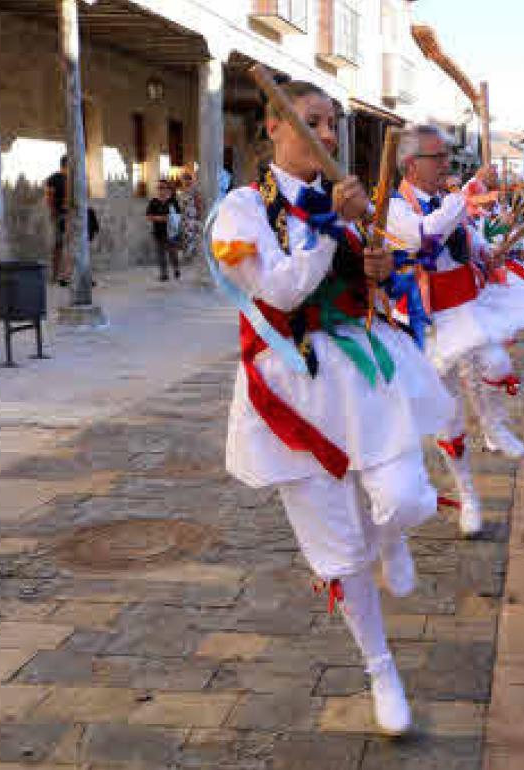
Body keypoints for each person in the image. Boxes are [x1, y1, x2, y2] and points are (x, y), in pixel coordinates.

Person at [208, 81, 455, 735]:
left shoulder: (342, 203)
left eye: (330, 122)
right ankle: (381, 669)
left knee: (403, 495)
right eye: (308, 120)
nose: (324, 132)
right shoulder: (240, 209)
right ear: (274, 128)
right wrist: (328, 229)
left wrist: (373, 266)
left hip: (361, 370)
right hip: (293, 384)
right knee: (339, 550)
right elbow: (282, 292)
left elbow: (376, 279)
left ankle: (395, 533)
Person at [386, 125, 524, 537]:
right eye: (439, 158)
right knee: (446, 417)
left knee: (496, 360)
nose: (447, 165)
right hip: (428, 319)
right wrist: (464, 196)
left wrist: (489, 252)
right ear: (413, 164)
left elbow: (467, 242)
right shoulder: (395, 207)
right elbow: (424, 237)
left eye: (447, 158)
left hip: (464, 305)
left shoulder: (447, 202)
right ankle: (467, 495)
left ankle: (493, 423)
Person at [146, 179, 182, 281]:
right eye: (159, 187)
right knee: (160, 254)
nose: (160, 189)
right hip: (158, 232)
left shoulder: (172, 201)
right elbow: (148, 216)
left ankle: (176, 268)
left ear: (167, 189)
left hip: (171, 232)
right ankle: (164, 274)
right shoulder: (154, 202)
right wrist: (160, 218)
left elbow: (179, 215)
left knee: (173, 253)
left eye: (162, 187)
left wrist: (172, 218)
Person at [44, 156, 70, 286]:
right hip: (60, 216)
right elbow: (49, 196)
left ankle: (67, 275)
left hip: (72, 217)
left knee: (71, 246)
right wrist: (53, 213)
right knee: (59, 246)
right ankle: (55, 276)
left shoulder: (73, 179)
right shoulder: (54, 178)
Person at [176, 169, 204, 266]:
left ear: (190, 180)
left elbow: (199, 204)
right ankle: (186, 257)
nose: (185, 181)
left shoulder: (194, 191)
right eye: (184, 179)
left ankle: (191, 258)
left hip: (191, 217)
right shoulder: (180, 191)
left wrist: (199, 217)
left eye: (187, 179)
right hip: (183, 217)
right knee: (184, 237)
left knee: (191, 237)